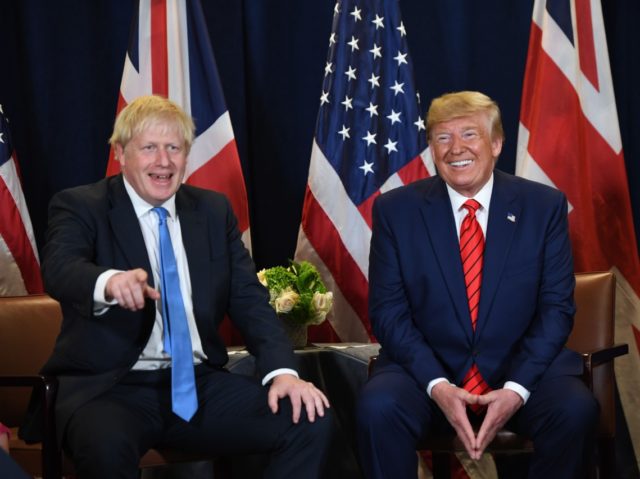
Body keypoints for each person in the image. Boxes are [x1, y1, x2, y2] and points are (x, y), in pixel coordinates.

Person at [21, 95, 332, 479]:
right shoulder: (82, 206)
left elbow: (250, 302)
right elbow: (60, 268)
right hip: (112, 388)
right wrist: (109, 281)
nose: (163, 162)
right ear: (120, 153)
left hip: (199, 385)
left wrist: (283, 372)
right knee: (105, 448)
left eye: (174, 148)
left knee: (308, 419)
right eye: (149, 148)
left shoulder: (213, 211)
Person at [356, 91, 598, 478]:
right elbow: (388, 313)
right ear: (431, 149)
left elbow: (556, 310)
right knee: (377, 407)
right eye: (443, 138)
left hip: (521, 370)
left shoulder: (543, 206)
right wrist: (437, 384)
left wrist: (517, 388)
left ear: (496, 144)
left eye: (470, 134)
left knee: (573, 408)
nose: (456, 149)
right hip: (427, 374)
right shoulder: (395, 211)